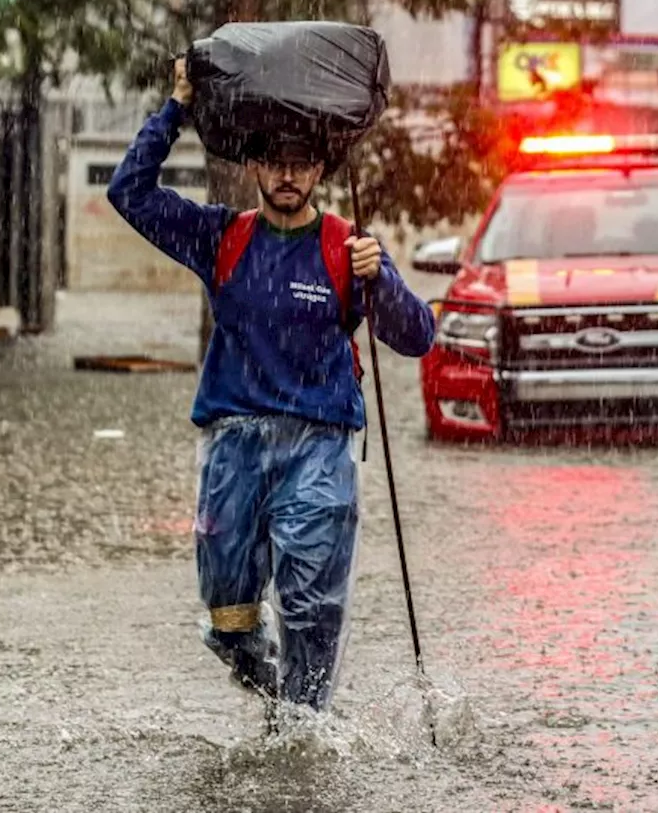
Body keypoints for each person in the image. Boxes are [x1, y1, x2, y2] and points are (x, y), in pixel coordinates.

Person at [107, 60, 436, 712]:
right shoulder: (220, 236)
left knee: (311, 605)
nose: (289, 176)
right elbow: (130, 193)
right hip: (232, 447)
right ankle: (277, 696)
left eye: (303, 163)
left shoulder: (348, 247)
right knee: (228, 622)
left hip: (319, 445)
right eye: (276, 162)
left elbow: (418, 336)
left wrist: (384, 282)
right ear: (255, 166)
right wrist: (175, 109)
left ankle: (302, 732)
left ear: (320, 171)